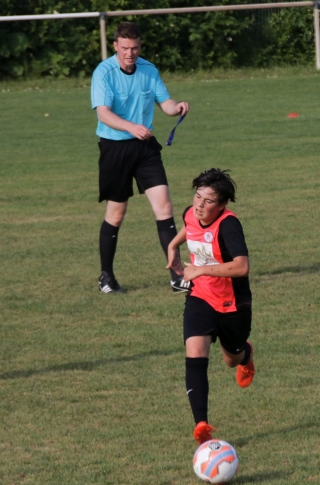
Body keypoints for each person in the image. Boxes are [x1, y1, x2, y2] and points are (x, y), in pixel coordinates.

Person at [91, 21, 191, 294]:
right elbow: (104, 114)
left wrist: (177, 107)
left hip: (145, 148)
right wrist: (131, 127)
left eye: (134, 48)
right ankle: (106, 277)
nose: (130, 53)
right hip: (115, 148)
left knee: (165, 207)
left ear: (140, 46)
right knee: (117, 213)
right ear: (115, 46)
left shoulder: (149, 69)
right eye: (124, 48)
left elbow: (165, 103)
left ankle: (177, 276)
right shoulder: (103, 72)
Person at [166, 169, 255, 444]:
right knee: (195, 352)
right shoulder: (191, 213)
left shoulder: (229, 225)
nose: (200, 205)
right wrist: (173, 245)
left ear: (222, 205)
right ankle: (201, 424)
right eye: (198, 196)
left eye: (209, 201)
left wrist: (201, 269)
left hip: (232, 304)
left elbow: (242, 267)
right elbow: (190, 227)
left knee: (231, 360)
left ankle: (246, 354)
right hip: (200, 297)